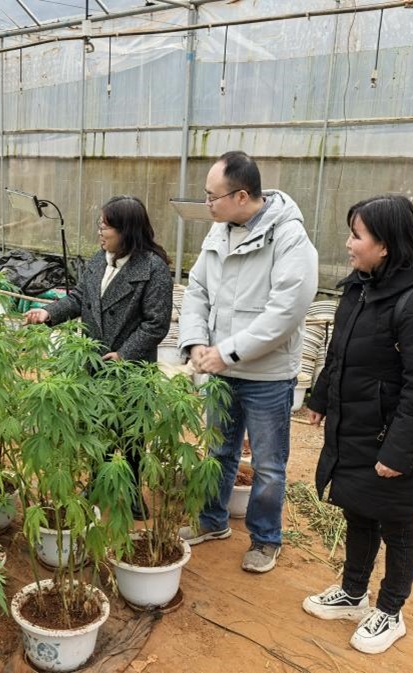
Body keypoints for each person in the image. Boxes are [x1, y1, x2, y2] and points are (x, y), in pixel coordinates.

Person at [302, 195, 413, 655]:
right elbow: (340, 351)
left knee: (399, 524)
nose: (349, 244)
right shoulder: (362, 287)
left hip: (396, 438)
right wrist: (321, 396)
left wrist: (398, 452)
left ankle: (390, 611)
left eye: (357, 236)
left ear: (385, 245)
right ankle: (353, 593)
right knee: (359, 509)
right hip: (358, 426)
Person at [177, 151, 318, 573]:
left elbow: (285, 313)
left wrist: (227, 352)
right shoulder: (219, 232)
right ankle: (212, 520)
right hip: (220, 370)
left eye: (212, 196)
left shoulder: (289, 237)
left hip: (266, 375)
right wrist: (195, 342)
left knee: (268, 465)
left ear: (241, 196)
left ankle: (265, 539)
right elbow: (197, 289)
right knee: (218, 451)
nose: (207, 204)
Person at [23, 195, 173, 518]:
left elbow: (156, 323)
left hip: (129, 367)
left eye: (105, 227)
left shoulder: (153, 269)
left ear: (126, 230)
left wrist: (125, 354)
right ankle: (98, 482)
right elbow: (80, 297)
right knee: (96, 425)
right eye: (100, 225)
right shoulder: (99, 259)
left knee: (131, 432)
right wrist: (49, 313)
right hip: (94, 360)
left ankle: (131, 491)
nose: (99, 232)